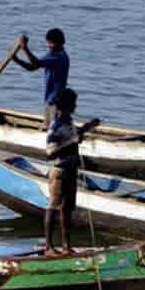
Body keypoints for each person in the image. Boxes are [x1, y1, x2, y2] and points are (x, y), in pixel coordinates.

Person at [43, 88, 99, 256]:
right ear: (65, 105)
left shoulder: (69, 123)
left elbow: (73, 136)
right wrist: (72, 142)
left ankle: (66, 246)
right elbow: (50, 153)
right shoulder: (56, 125)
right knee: (53, 207)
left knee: (67, 209)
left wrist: (86, 128)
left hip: (71, 170)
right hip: (59, 171)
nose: (75, 106)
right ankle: (49, 247)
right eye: (73, 103)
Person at [12, 28, 70, 128]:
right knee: (49, 128)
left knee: (54, 130)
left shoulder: (60, 57)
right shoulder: (51, 54)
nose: (50, 46)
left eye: (53, 43)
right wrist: (16, 59)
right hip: (49, 99)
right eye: (49, 43)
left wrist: (25, 48)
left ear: (62, 42)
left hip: (57, 101)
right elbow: (32, 67)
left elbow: (37, 63)